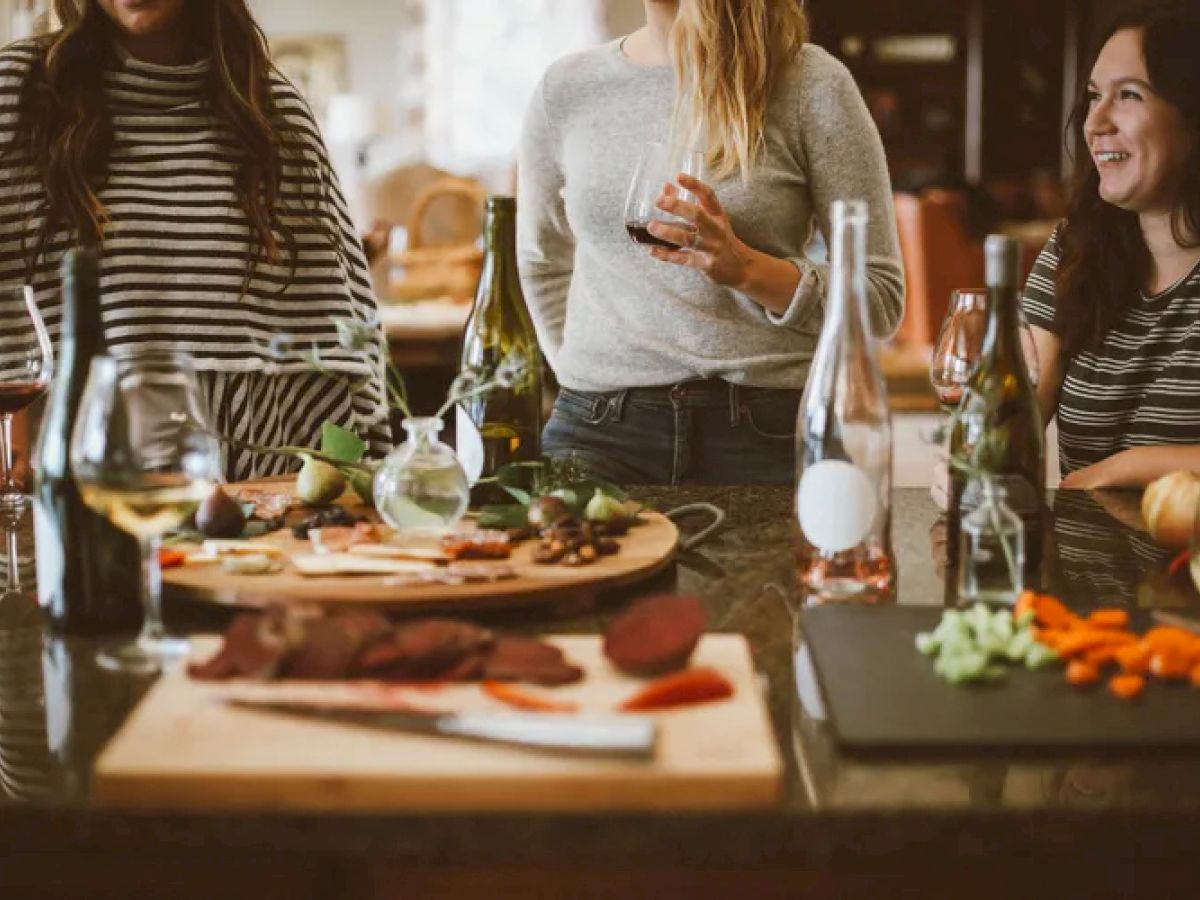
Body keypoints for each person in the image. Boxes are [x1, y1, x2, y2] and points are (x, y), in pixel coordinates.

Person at [517, 0, 904, 486]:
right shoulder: (565, 89)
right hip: (597, 433)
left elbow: (881, 298)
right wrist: (583, 372)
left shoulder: (810, 82)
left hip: (767, 432)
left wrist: (747, 269)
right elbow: (541, 262)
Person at [0, 0, 388, 482]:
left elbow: (339, 329)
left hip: (259, 467)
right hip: (72, 463)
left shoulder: (271, 109)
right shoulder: (19, 93)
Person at [1023, 0, 1200, 489]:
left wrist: (1120, 469)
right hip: (1088, 566)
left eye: (1129, 96)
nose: (1094, 123)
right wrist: (975, 454)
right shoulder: (1073, 250)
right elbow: (1014, 418)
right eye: (1093, 95)